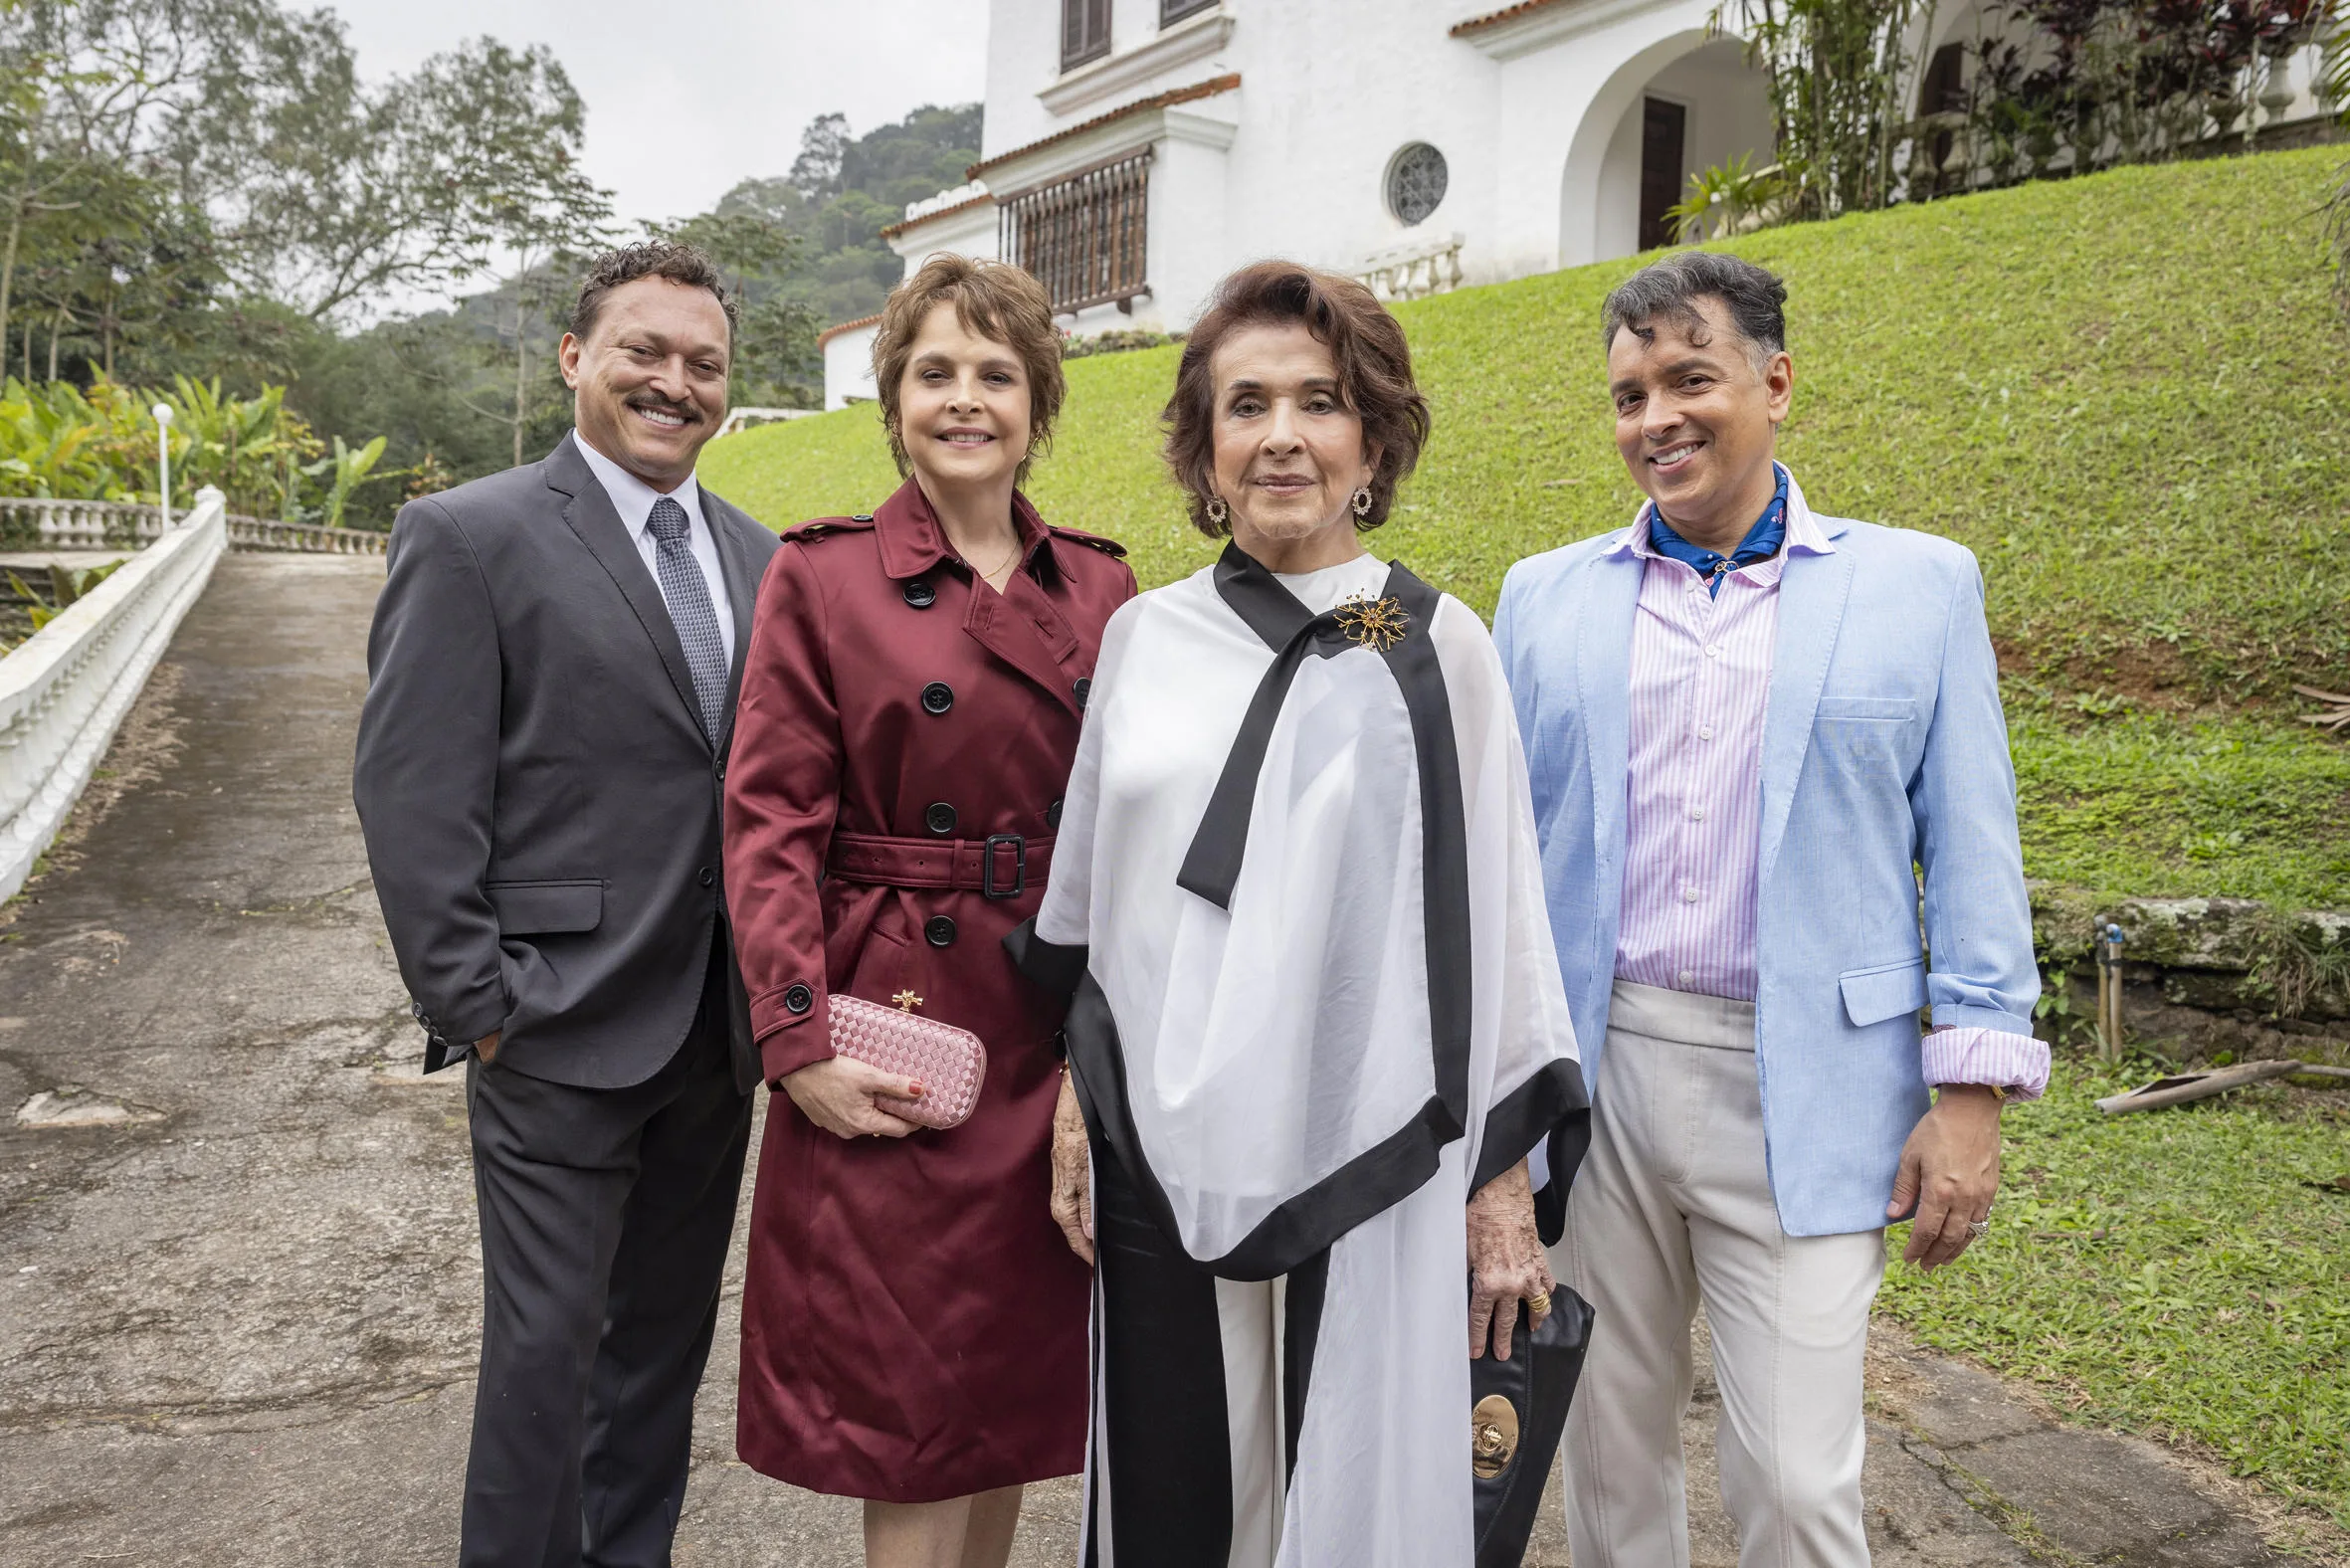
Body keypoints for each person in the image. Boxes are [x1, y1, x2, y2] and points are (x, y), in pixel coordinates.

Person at [1010, 261, 1589, 1568]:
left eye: (1318, 403)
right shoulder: (1145, 643)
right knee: (1177, 1482)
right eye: (1245, 404)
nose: (1281, 435)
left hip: (1373, 1148)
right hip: (1163, 1143)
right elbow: (1094, 912)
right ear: (1203, 452)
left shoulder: (1437, 650)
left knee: (1348, 1486)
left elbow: (1498, 926)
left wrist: (1498, 1183)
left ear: (1370, 440)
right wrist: (1069, 1111)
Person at [1492, 249, 2045, 1567]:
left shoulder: (1915, 588)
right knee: (1606, 1454)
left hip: (1811, 1078)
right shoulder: (1541, 598)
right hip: (1599, 1075)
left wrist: (1965, 1099)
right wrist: (1493, 1122)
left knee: (1796, 1481)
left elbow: (1971, 846)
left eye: (1690, 379)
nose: (1655, 419)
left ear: (1774, 382)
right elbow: (1500, 862)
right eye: (1628, 395)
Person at [352, 242, 779, 1567]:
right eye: (644, 352)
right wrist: (480, 1006)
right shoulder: (469, 535)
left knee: (659, 1356)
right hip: (551, 1030)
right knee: (542, 1364)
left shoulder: (761, 558)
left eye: (702, 364)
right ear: (574, 359)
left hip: (716, 1036)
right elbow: (414, 796)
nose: (673, 382)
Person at [722, 255, 1135, 1568]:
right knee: (905, 1409)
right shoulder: (822, 579)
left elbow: (1127, 829)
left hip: (1045, 1026)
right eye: (936, 373)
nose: (966, 400)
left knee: (1010, 1396)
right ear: (893, 399)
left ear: (1038, 404)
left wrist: (1108, 1048)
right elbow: (769, 824)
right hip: (887, 1020)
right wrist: (794, 1044)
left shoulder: (1105, 591)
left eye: (997, 376)